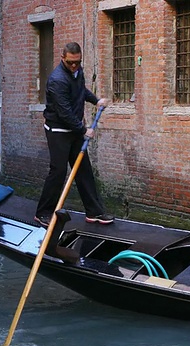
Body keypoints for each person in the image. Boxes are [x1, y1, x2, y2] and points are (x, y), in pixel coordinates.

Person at [34, 42, 113, 227]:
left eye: (77, 62)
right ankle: (43, 212)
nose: (74, 66)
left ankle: (94, 212)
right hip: (58, 131)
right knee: (58, 171)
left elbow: (80, 91)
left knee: (83, 170)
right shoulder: (57, 80)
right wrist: (85, 130)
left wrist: (96, 100)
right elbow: (64, 112)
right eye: (70, 63)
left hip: (74, 129)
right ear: (63, 58)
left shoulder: (77, 72)